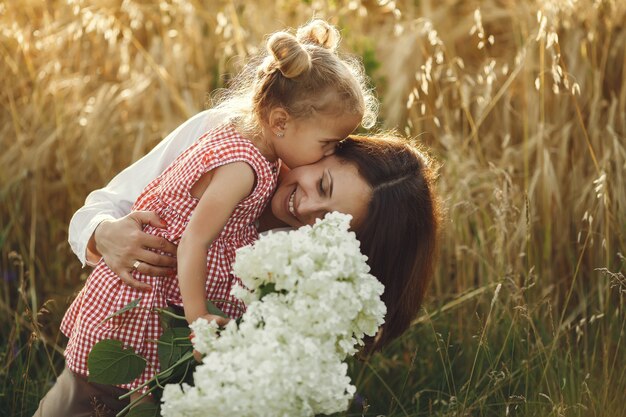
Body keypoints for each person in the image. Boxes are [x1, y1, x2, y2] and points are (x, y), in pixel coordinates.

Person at [35, 19, 377, 417]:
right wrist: (198, 320)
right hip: (147, 301)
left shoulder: (252, 147)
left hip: (164, 315)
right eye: (327, 146)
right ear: (281, 122)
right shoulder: (242, 165)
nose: (308, 208)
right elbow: (194, 238)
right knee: (92, 399)